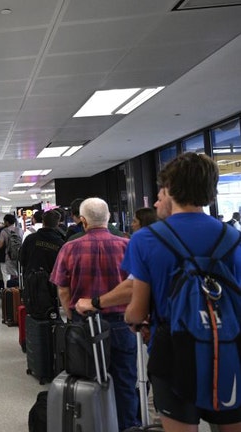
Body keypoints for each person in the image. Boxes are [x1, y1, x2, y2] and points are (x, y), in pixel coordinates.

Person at [124, 153, 241, 431]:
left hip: (173, 353)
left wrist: (133, 320)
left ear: (169, 189)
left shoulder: (145, 239)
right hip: (228, 347)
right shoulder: (233, 238)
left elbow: (137, 311)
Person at [50, 197, 138, 430]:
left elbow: (62, 289)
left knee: (86, 379)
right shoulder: (127, 245)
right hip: (122, 324)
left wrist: (71, 316)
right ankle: (127, 426)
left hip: (84, 325)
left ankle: (92, 424)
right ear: (108, 218)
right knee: (125, 381)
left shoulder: (69, 248)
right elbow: (136, 286)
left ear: (83, 221)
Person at [0, 213, 23, 286]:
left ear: (7, 222)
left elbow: (0, 245)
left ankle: (9, 290)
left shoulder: (4, 231)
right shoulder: (20, 230)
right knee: (19, 274)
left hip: (9, 256)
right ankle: (19, 289)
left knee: (7, 275)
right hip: (19, 256)